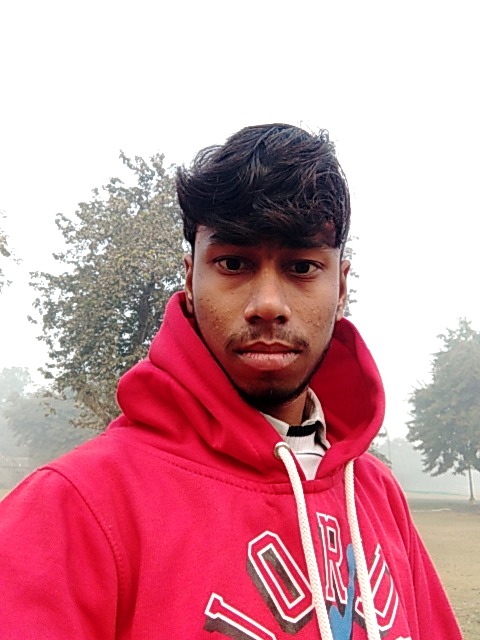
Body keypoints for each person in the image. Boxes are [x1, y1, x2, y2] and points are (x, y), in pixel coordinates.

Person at [0, 124, 461, 640]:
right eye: (233, 263)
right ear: (190, 279)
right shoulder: (74, 507)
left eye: (302, 266)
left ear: (341, 287)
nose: (268, 304)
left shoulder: (377, 495)